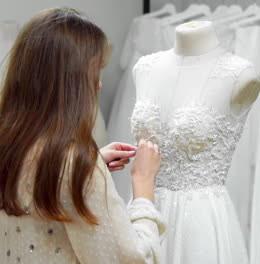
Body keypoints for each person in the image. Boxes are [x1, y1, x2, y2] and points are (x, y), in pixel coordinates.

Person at [0, 8, 165, 264]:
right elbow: (130, 258)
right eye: (95, 71)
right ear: (72, 81)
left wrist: (92, 164)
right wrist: (143, 187)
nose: (99, 84)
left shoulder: (10, 146)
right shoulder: (76, 165)